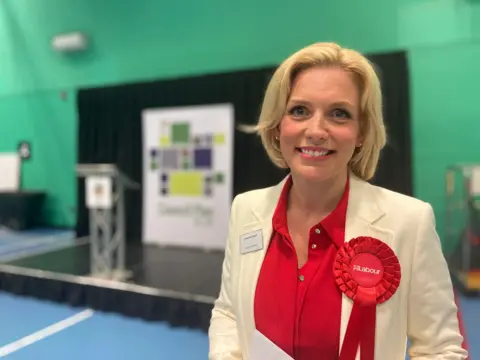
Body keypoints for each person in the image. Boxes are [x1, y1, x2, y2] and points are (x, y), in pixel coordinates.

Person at [208, 42, 468, 360]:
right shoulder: (246, 209)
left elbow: (441, 349)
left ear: (361, 133)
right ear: (278, 126)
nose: (316, 130)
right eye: (299, 110)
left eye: (339, 114)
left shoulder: (409, 222)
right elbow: (229, 314)